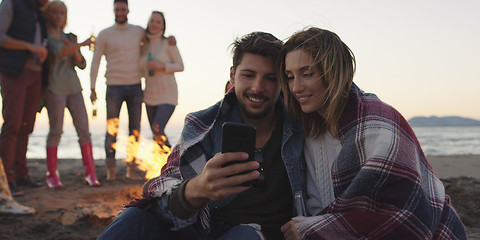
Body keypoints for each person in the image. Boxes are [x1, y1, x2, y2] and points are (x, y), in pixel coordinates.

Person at [98, 32, 306, 240]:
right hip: (197, 227)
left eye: (271, 78)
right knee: (134, 218)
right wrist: (198, 189)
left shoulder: (302, 125)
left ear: (283, 81)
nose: (257, 87)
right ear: (233, 75)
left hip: (254, 233)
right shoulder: (203, 124)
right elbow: (161, 201)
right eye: (248, 75)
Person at [277, 27, 467, 239]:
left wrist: (313, 228)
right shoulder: (306, 128)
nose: (296, 87)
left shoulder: (377, 123)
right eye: (290, 77)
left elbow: (406, 218)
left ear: (333, 72)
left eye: (307, 74)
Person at [42, 0, 100, 188]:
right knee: (56, 131)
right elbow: (60, 52)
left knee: (84, 130)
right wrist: (81, 43)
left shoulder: (69, 36)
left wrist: (76, 48)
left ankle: (90, 173)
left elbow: (81, 63)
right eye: (55, 12)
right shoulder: (46, 36)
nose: (58, 16)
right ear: (49, 14)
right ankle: (52, 175)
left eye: (62, 13)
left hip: (74, 87)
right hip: (55, 88)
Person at [89, 0, 145, 181]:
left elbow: (155, 39)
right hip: (113, 86)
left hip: (135, 85)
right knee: (111, 129)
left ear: (128, 10)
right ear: (114, 10)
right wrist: (92, 87)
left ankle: (131, 169)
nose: (120, 12)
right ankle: (110, 170)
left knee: (134, 130)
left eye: (123, 9)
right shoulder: (105, 34)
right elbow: (96, 61)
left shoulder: (138, 31)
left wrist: (169, 39)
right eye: (117, 9)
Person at [0, 0, 49, 197]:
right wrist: (30, 47)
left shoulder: (39, 12)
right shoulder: (10, 4)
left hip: (36, 73)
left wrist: (41, 51)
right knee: (12, 125)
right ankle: (6, 179)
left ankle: (21, 175)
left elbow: (42, 42)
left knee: (27, 126)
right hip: (14, 71)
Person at [140, 11, 184, 149]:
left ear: (163, 26)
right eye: (152, 21)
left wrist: (161, 66)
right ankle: (160, 167)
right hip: (149, 95)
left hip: (167, 94)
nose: (154, 24)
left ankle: (172, 163)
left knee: (157, 128)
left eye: (158, 22)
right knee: (155, 134)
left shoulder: (168, 43)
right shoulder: (143, 45)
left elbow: (180, 66)